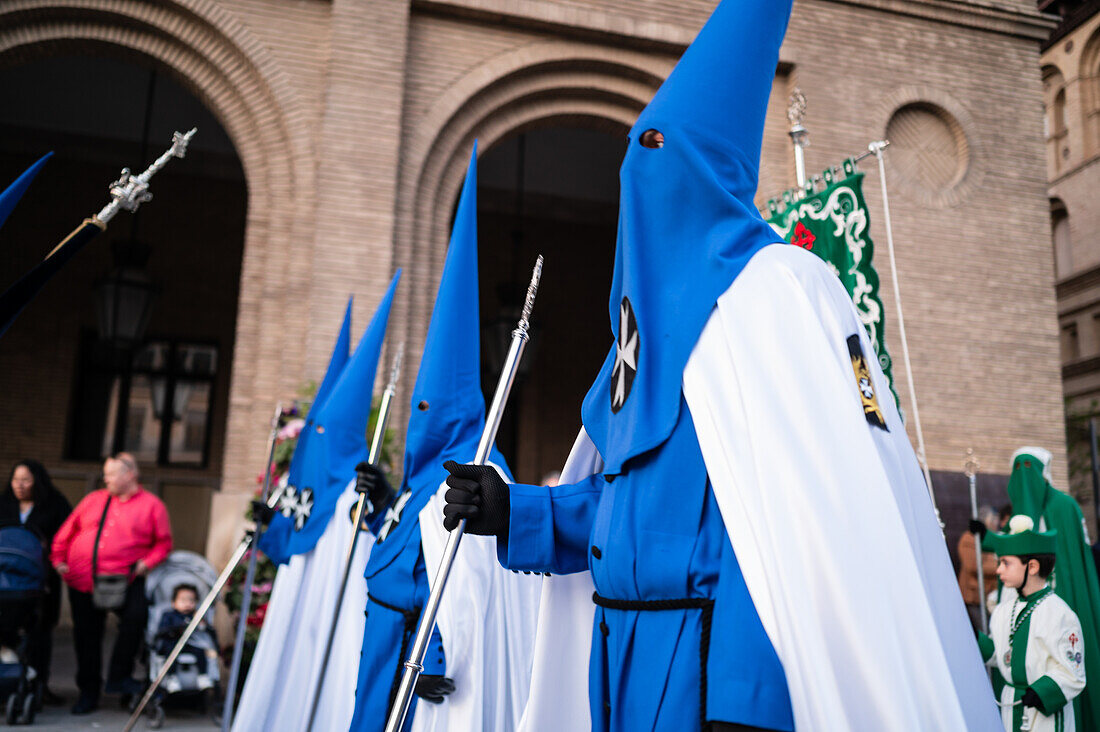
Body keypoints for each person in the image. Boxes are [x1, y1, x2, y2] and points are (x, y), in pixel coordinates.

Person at [441, 0, 999, 729]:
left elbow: (788, 528)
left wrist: (747, 701)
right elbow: (621, 511)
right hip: (616, 661)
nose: (644, 183)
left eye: (661, 155)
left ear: (702, 175)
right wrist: (512, 508)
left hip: (705, 673)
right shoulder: (639, 350)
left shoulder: (771, 299)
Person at [51, 452, 172, 714]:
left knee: (135, 621)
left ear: (130, 474)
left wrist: (147, 563)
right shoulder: (94, 499)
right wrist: (59, 559)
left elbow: (163, 542)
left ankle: (120, 679)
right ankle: (88, 692)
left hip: (126, 578)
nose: (105, 478)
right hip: (84, 579)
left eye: (111, 473)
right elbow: (68, 531)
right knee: (86, 636)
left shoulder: (152, 505)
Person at [1001, 447, 1100, 732]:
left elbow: (1074, 565)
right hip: (1018, 608)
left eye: (1030, 468)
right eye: (1017, 469)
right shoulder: (1015, 517)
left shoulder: (1064, 507)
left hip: (1059, 601)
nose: (1024, 476)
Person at [978, 515, 1086, 732]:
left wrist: (1041, 692)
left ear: (1033, 566)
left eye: (1005, 563)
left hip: (1044, 715)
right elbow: (1001, 657)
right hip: (1012, 707)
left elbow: (1072, 674)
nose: (998, 570)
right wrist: (973, 637)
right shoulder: (1003, 610)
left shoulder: (1059, 614)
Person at [1, 459, 71, 704]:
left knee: (40, 631)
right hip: (5, 583)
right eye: (16, 480)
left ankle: (39, 683)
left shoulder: (55, 505)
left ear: (37, 482)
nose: (19, 485)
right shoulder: (4, 505)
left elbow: (67, 536)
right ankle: (8, 679)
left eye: (26, 480)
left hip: (41, 581)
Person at [155, 583, 215, 689]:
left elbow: (206, 631)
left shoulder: (196, 616)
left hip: (189, 644)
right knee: (170, 653)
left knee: (201, 651)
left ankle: (202, 676)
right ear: (174, 603)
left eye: (191, 601)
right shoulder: (169, 615)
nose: (187, 604)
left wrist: (201, 624)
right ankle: (171, 678)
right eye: (183, 600)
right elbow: (163, 630)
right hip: (172, 643)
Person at [960, 505, 1000, 630]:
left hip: (989, 596)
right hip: (974, 597)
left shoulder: (992, 537)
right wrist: (1000, 566)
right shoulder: (969, 538)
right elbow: (974, 566)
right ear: (988, 521)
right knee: (985, 630)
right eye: (995, 521)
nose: (997, 525)